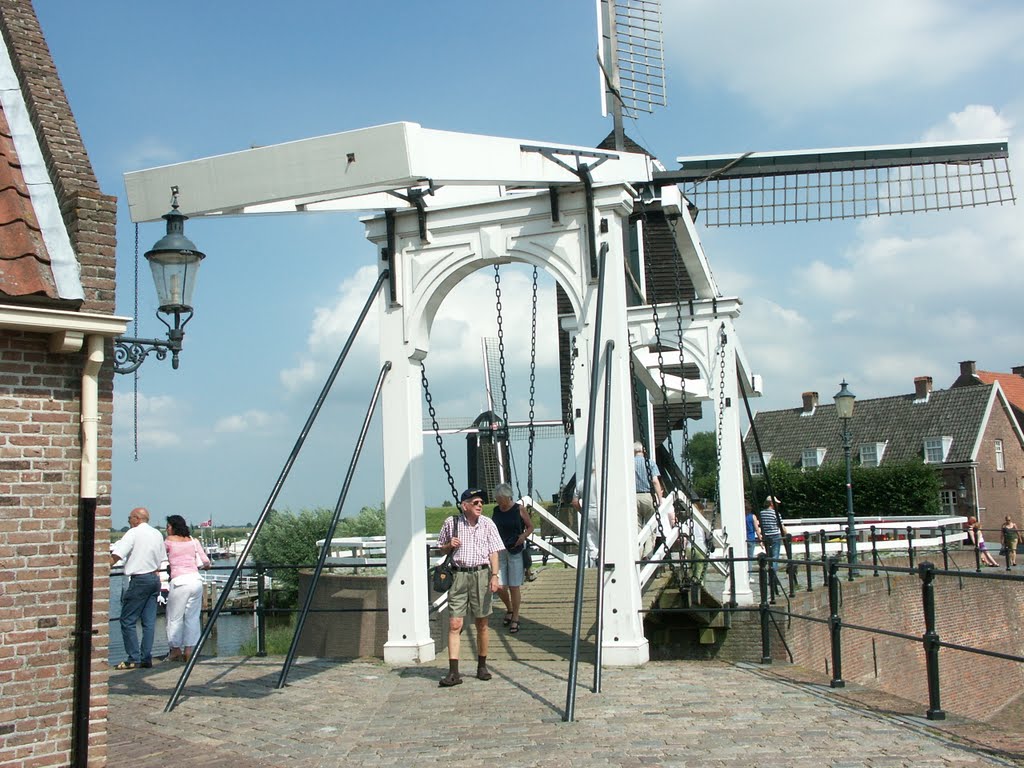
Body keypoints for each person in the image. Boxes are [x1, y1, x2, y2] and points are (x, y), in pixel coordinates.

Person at [436, 488, 505, 687]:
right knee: (455, 623)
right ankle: (453, 672)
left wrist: (494, 576)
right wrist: (450, 545)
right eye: (475, 502)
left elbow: (493, 552)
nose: (480, 505)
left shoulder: (488, 524)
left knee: (482, 622)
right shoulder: (452, 523)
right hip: (459, 575)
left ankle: (482, 666)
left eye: (481, 502)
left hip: (481, 574)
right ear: (464, 505)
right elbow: (441, 546)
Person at [109, 507, 166, 669]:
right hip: (154, 579)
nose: (128, 521)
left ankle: (133, 657)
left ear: (136, 518)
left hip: (139, 579)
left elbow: (117, 555)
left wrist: (103, 566)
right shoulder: (157, 534)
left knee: (127, 620)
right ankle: (146, 657)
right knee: (149, 622)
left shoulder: (133, 533)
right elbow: (162, 558)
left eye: (129, 518)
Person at [164, 515, 211, 662]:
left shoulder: (169, 542)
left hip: (180, 582)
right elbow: (206, 562)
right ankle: (189, 650)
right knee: (192, 617)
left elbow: (158, 557)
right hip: (195, 580)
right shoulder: (193, 540)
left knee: (174, 618)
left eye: (168, 526)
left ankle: (175, 649)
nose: (166, 529)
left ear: (172, 527)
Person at [491, 483, 534, 634]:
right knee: (501, 586)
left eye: (499, 498)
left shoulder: (518, 509)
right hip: (500, 550)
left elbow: (530, 526)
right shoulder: (496, 511)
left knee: (514, 586)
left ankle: (515, 616)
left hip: (515, 549)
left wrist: (523, 536)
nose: (497, 501)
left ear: (506, 497)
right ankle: (509, 608)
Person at [634, 441, 664, 558]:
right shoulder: (650, 463)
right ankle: (648, 554)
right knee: (651, 526)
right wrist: (660, 499)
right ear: (644, 451)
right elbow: (655, 481)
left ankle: (638, 553)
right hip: (648, 496)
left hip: (633, 497)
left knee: (637, 527)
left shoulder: (628, 463)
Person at [758, 496, 787, 599]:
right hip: (775, 536)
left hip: (766, 537)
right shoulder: (776, 514)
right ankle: (772, 577)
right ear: (772, 503)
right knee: (774, 557)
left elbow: (760, 525)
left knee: (769, 556)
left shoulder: (761, 513)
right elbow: (781, 526)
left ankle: (770, 574)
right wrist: (786, 536)